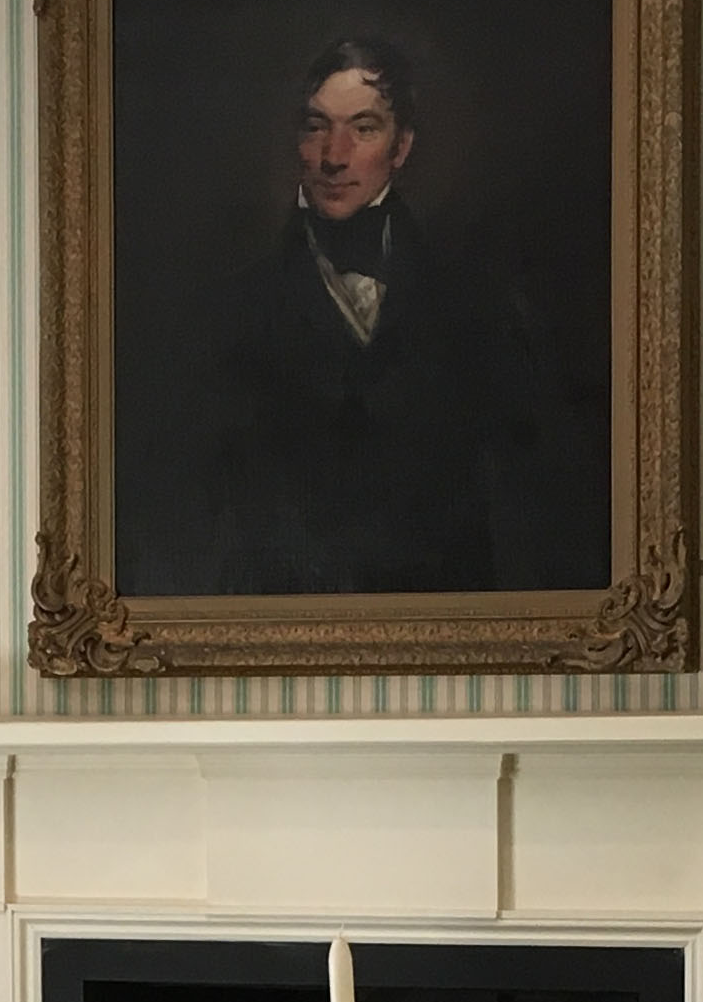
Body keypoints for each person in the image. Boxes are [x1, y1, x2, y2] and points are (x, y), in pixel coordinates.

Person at [133, 36, 590, 597]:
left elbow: (536, 505)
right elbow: (179, 518)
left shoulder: (478, 306)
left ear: (401, 147)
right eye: (316, 127)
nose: (334, 155)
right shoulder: (227, 316)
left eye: (364, 128)